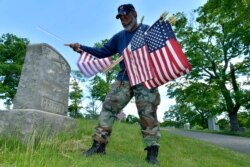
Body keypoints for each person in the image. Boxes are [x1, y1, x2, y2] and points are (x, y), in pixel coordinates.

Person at [67, 4, 161, 165]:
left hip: (145, 77)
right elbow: (103, 51)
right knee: (109, 106)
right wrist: (81, 48)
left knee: (147, 113)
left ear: (135, 14)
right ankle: (98, 145)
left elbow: (161, 51)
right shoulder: (119, 37)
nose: (123, 20)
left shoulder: (148, 30)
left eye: (126, 16)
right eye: (121, 18)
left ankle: (152, 152)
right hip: (124, 77)